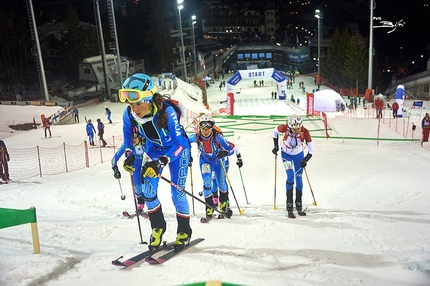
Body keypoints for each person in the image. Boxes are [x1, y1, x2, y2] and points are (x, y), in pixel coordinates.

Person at [119, 73, 192, 250]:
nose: (133, 108)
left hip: (177, 151)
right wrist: (129, 155)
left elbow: (179, 144)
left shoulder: (167, 111)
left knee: (178, 193)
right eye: (130, 103)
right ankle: (158, 228)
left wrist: (162, 161)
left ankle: (184, 230)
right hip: (153, 150)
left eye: (137, 103)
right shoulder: (128, 114)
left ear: (149, 98)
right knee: (148, 191)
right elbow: (128, 139)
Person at [188, 114, 242, 220]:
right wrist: (187, 156)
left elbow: (233, 148)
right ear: (200, 127)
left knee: (221, 182)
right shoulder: (196, 136)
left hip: (219, 161)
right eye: (203, 128)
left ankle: (223, 206)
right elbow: (184, 143)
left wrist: (227, 154)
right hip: (205, 161)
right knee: (207, 182)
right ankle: (209, 207)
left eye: (208, 128)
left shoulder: (218, 137)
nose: (206, 131)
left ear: (212, 127)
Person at [272, 114, 314, 219]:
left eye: (299, 128)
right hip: (286, 154)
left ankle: (299, 203)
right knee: (290, 176)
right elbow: (275, 131)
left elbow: (311, 150)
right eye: (295, 129)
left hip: (299, 155)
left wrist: (305, 160)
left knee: (299, 178)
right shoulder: (285, 128)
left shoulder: (305, 131)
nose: (297, 130)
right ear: (290, 127)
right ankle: (289, 204)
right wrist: (276, 146)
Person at [111, 127, 147, 217]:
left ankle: (153, 208)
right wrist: (115, 169)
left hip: (146, 168)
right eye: (131, 137)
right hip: (135, 169)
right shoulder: (127, 145)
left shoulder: (145, 143)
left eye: (135, 137)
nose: (133, 140)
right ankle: (140, 206)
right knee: (137, 188)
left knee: (148, 188)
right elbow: (114, 159)